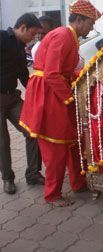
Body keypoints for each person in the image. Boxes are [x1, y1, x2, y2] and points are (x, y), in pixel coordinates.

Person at [19, 0, 103, 207]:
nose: (92, 28)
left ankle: (78, 183)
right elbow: (52, 74)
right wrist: (70, 97)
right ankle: (53, 195)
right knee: (55, 146)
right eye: (91, 23)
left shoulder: (71, 37)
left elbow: (63, 71)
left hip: (56, 91)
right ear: (80, 20)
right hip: (49, 95)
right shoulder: (63, 36)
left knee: (73, 141)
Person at [0, 13, 44, 194]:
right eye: (32, 34)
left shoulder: (20, 47)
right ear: (23, 27)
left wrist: (38, 94)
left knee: (32, 130)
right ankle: (8, 179)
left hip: (12, 99)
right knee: (3, 142)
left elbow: (23, 76)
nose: (33, 38)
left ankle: (33, 173)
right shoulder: (1, 37)